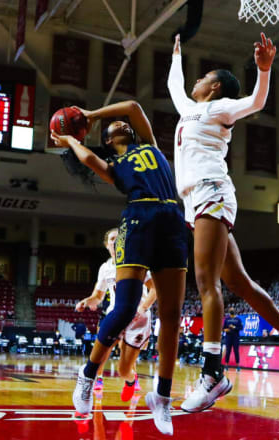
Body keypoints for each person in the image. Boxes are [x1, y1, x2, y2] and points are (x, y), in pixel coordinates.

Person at [168, 32, 279, 413]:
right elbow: (174, 85)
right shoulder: (188, 108)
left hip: (211, 192)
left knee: (206, 283)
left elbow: (256, 101)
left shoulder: (220, 108)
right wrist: (176, 54)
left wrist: (264, 71)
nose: (195, 80)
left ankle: (213, 373)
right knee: (239, 282)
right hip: (196, 200)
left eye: (202, 76)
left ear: (214, 86)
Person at [51, 99, 187, 436]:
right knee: (125, 307)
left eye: (121, 125)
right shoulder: (114, 166)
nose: (122, 126)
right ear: (109, 141)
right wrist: (70, 140)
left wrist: (91, 115)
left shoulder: (151, 146)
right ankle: (87, 375)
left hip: (172, 218)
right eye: (113, 130)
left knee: (172, 316)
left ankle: (163, 396)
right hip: (138, 219)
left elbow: (133, 106)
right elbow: (88, 159)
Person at [76, 227, 158, 401]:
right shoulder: (105, 268)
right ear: (107, 245)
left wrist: (142, 308)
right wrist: (86, 301)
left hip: (138, 318)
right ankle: (93, 382)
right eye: (112, 239)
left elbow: (155, 290)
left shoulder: (137, 263)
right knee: (101, 352)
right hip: (115, 313)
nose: (116, 241)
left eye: (119, 238)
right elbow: (98, 296)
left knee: (124, 367)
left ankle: (130, 380)